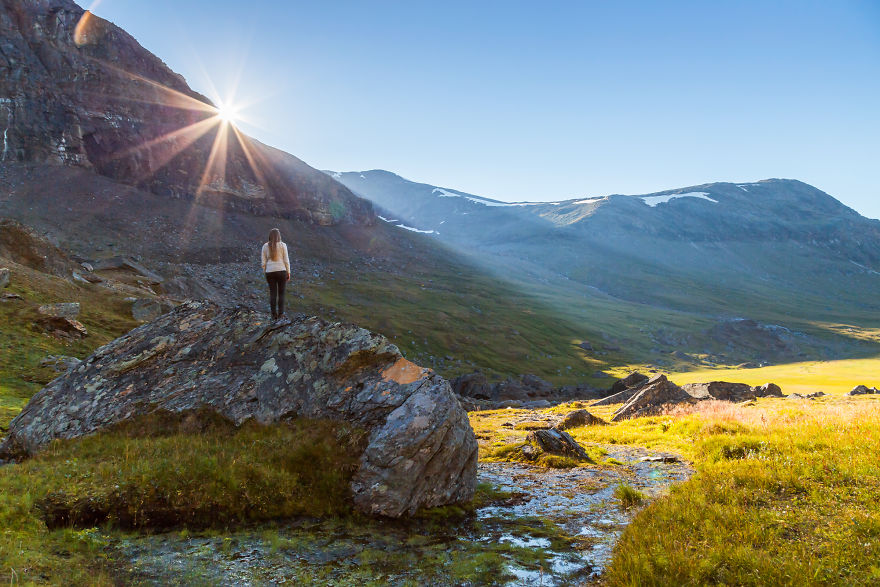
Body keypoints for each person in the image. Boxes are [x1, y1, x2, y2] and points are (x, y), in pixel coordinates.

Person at [261, 228, 291, 319]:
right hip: (281, 271)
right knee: (281, 293)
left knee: (273, 293)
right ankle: (281, 314)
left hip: (270, 272)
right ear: (279, 236)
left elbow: (263, 262)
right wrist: (288, 272)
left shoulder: (265, 246)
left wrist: (265, 271)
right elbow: (286, 260)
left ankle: (273, 314)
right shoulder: (283, 245)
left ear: (270, 236)